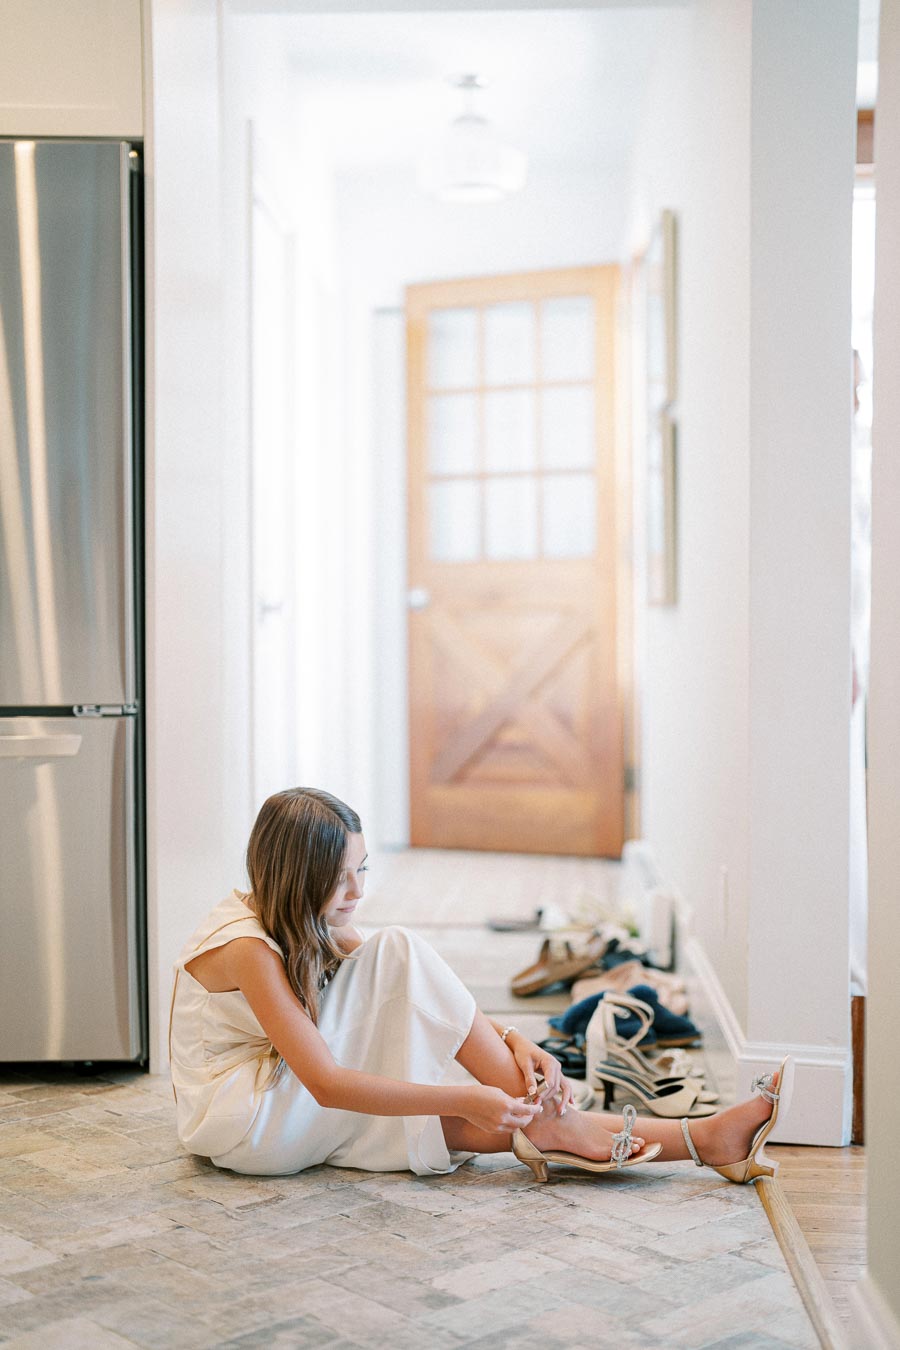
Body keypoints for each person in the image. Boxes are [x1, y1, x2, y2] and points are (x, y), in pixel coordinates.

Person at [169, 787, 792, 1182]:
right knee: (404, 960)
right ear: (295, 876)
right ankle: (559, 1125)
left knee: (473, 1122)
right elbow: (329, 1086)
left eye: (362, 869)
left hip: (277, 1098)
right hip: (250, 1122)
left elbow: (416, 992)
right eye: (340, 879)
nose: (358, 892)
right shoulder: (248, 947)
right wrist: (459, 1094)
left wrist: (516, 1040)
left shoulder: (299, 916)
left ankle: (705, 1138)